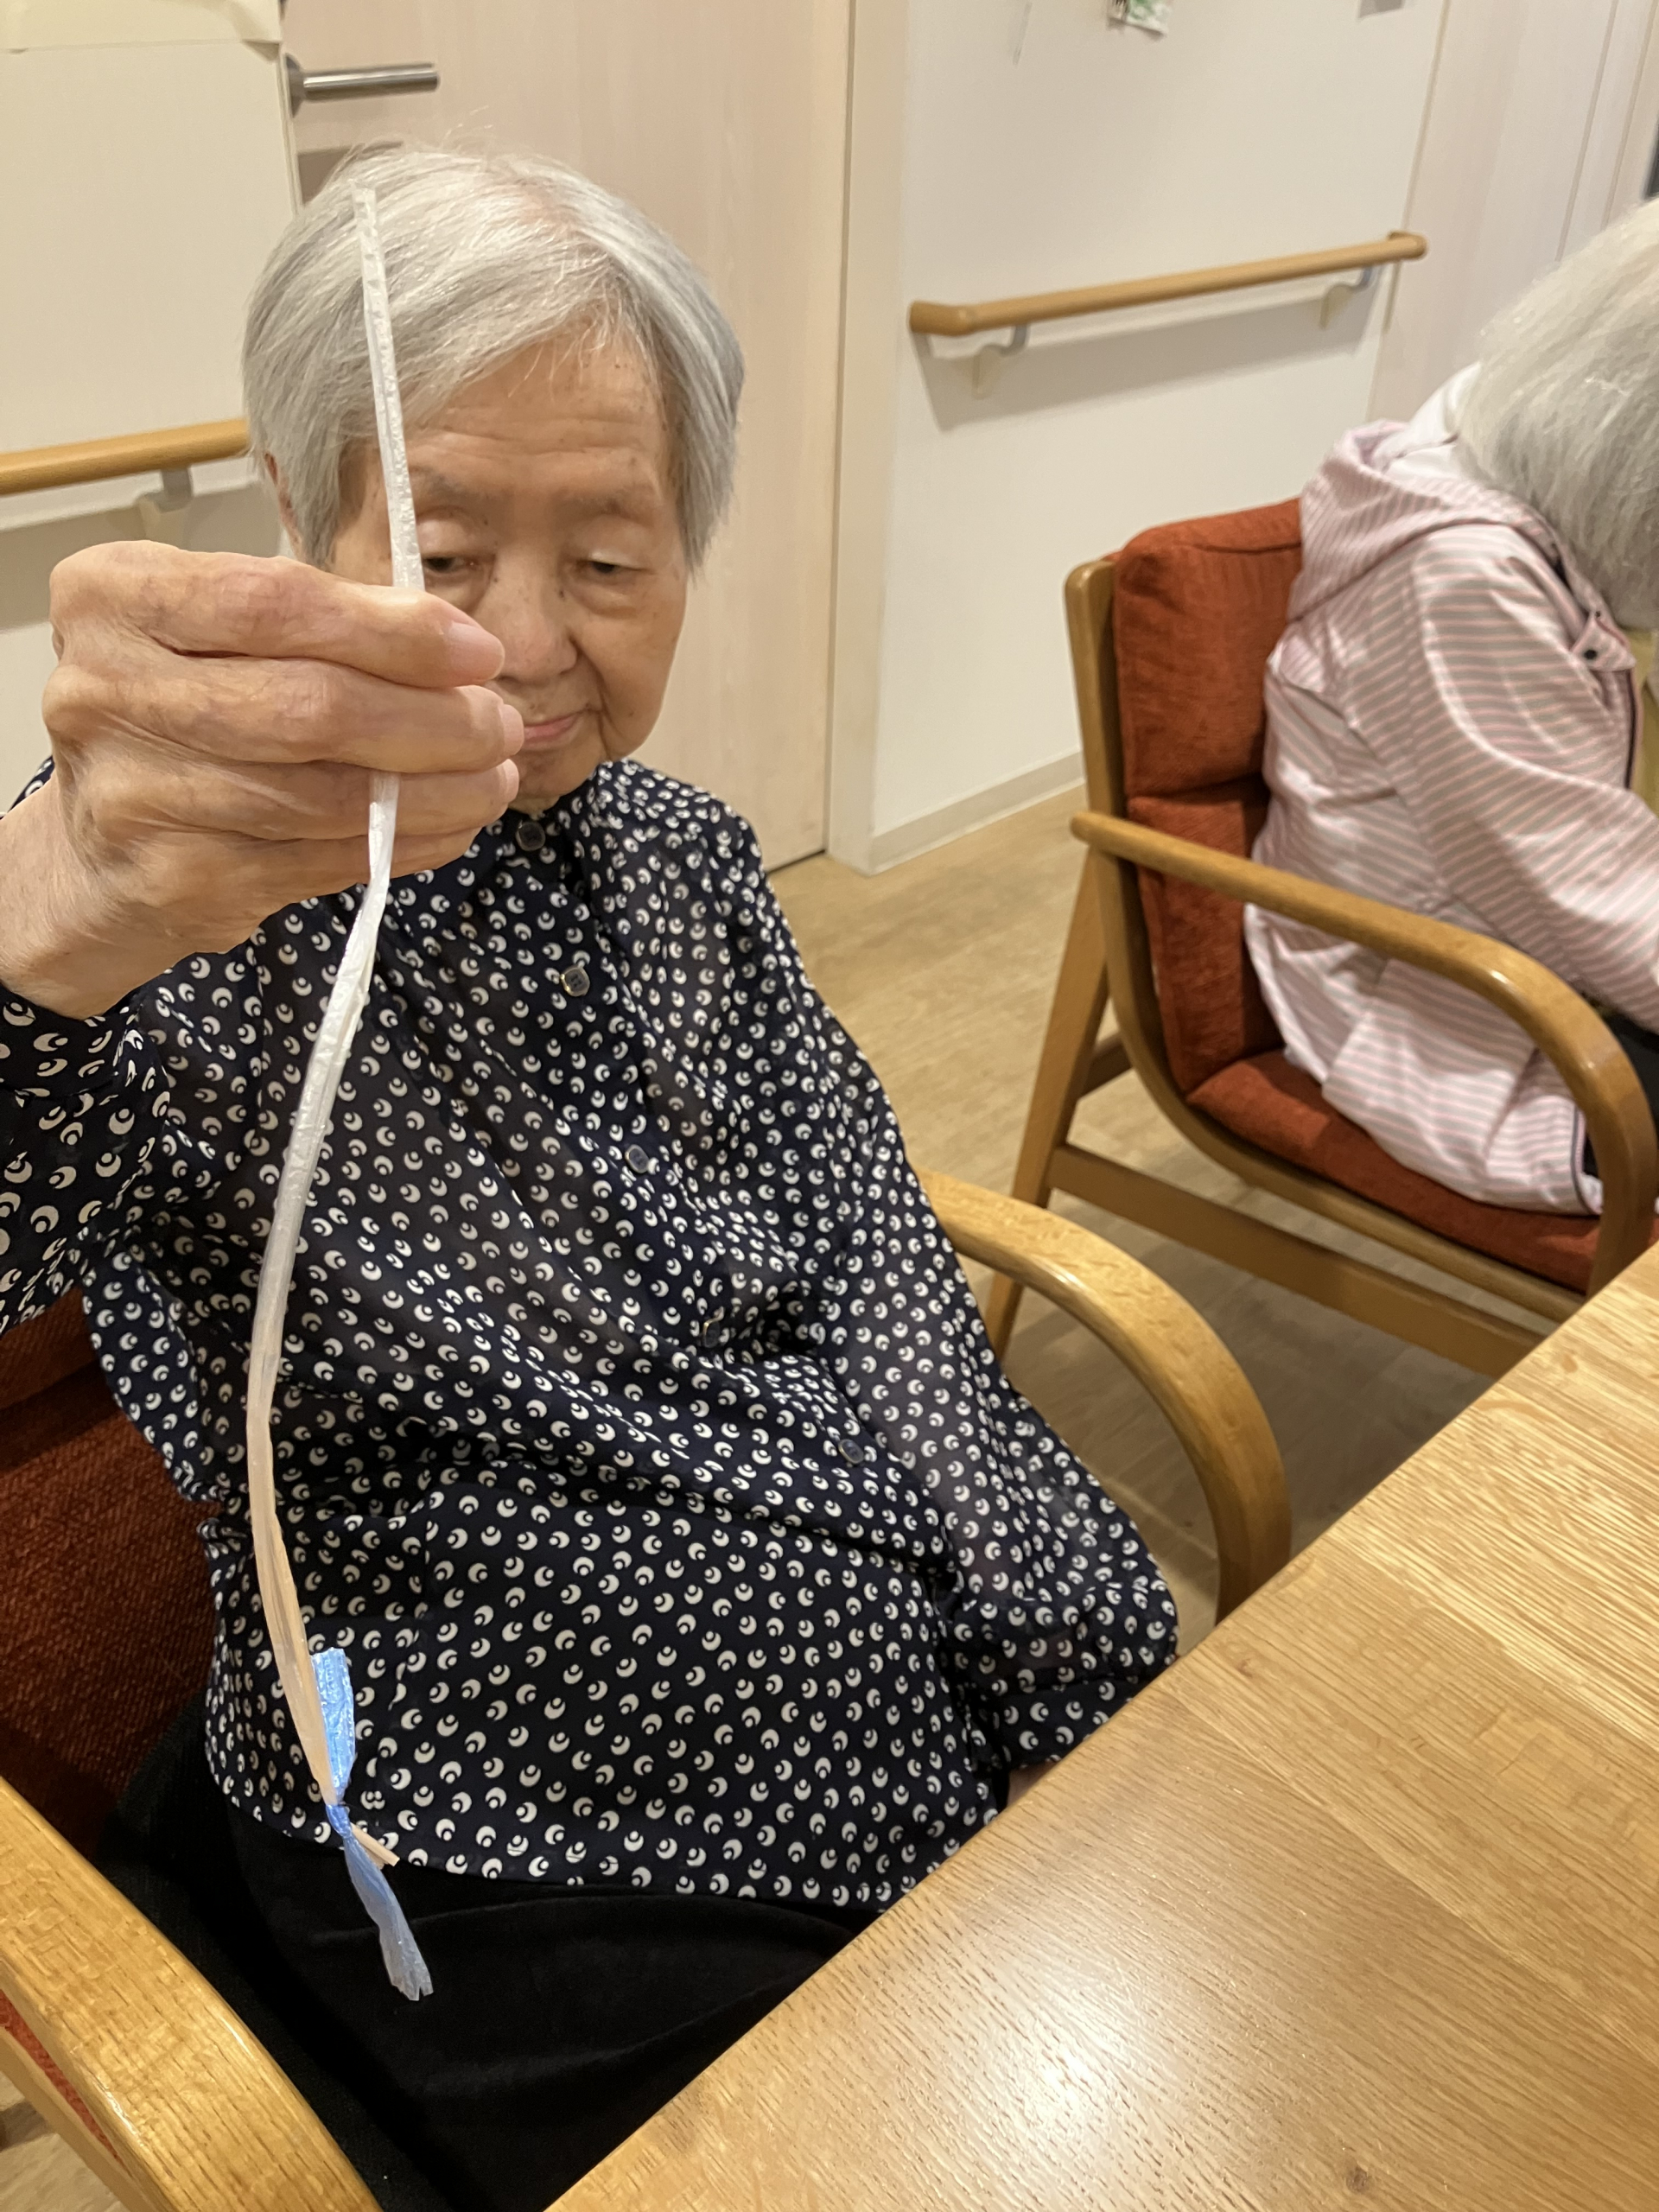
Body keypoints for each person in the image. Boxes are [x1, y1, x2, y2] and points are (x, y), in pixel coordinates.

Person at [0, 146, 1174, 2212]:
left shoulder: (687, 856)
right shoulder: (173, 894)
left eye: (613, 559)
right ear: (298, 515)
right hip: (486, 1820)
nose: (525, 644)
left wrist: (1069, 1636)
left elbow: (868, 1247)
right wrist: (60, 915)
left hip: (881, 1670)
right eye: (443, 549)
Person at [1247, 195, 1659, 1215]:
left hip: (1538, 937)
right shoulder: (1465, 577)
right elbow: (1583, 892)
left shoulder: (1510, 418)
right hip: (1450, 1012)